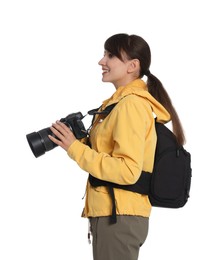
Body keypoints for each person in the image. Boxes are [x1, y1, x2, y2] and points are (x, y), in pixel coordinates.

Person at [48, 33, 185, 260]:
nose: (102, 61)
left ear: (132, 66)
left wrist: (75, 148)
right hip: (115, 214)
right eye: (104, 54)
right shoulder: (117, 105)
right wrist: (78, 140)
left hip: (119, 216)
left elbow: (127, 170)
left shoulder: (131, 105)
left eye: (110, 55)